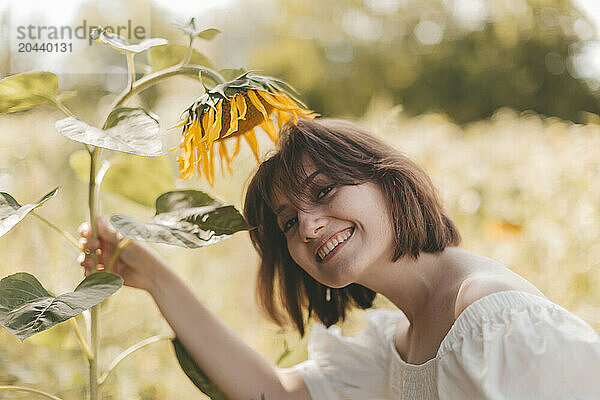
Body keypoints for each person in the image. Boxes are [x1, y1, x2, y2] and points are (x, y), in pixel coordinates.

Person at [79, 118, 600, 400]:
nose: (307, 225)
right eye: (287, 221)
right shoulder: (399, 346)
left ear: (388, 179)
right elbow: (274, 394)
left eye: (324, 191)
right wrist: (153, 276)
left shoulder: (493, 321)